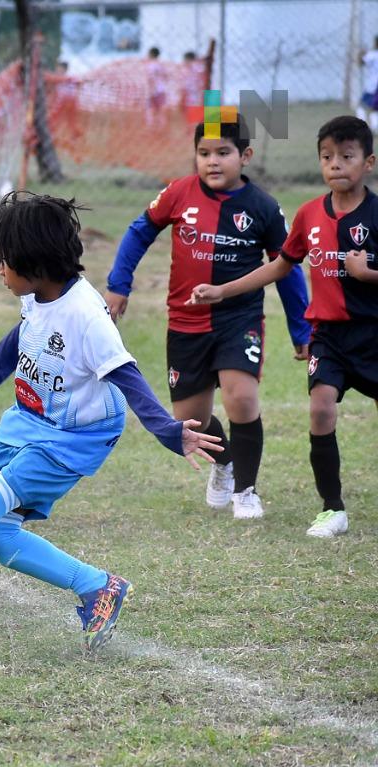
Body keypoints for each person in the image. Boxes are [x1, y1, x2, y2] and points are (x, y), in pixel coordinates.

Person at [0, 192, 222, 653]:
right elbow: (26, 330)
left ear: (36, 264)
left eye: (5, 261)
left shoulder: (88, 317)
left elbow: (127, 376)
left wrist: (170, 431)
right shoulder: (40, 294)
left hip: (73, 438)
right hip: (30, 423)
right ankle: (97, 586)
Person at [104, 116, 310, 519]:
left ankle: (246, 491)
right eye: (203, 154)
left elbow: (287, 268)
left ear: (245, 156)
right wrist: (118, 284)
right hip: (186, 323)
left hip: (239, 319)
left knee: (242, 398)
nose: (212, 162)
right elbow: (139, 231)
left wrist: (300, 327)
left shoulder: (264, 208)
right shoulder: (179, 193)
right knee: (191, 421)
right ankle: (225, 464)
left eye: (223, 153)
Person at [190, 116, 378, 538]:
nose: (335, 165)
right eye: (327, 157)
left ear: (368, 162)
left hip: (374, 334)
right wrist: (224, 290)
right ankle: (333, 509)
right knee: (320, 408)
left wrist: (367, 276)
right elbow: (279, 265)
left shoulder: (376, 214)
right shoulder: (310, 214)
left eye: (346, 157)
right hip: (328, 337)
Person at [358, 37, 378, 130]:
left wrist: (361, 53)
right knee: (375, 109)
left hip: (373, 86)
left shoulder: (372, 54)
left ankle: (362, 127)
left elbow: (360, 63)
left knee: (361, 106)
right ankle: (374, 128)